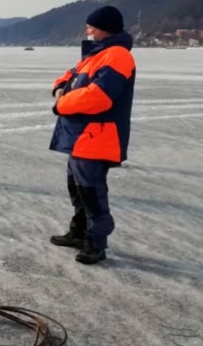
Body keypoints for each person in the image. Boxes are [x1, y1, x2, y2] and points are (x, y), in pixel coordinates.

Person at [48, 5, 135, 265]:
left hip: (96, 137)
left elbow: (99, 97)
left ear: (104, 29)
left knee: (92, 193)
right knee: (77, 189)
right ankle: (79, 232)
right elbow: (67, 77)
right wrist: (59, 89)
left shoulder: (117, 56)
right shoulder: (96, 55)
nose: (87, 31)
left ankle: (96, 243)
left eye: (91, 27)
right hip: (79, 137)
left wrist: (61, 104)